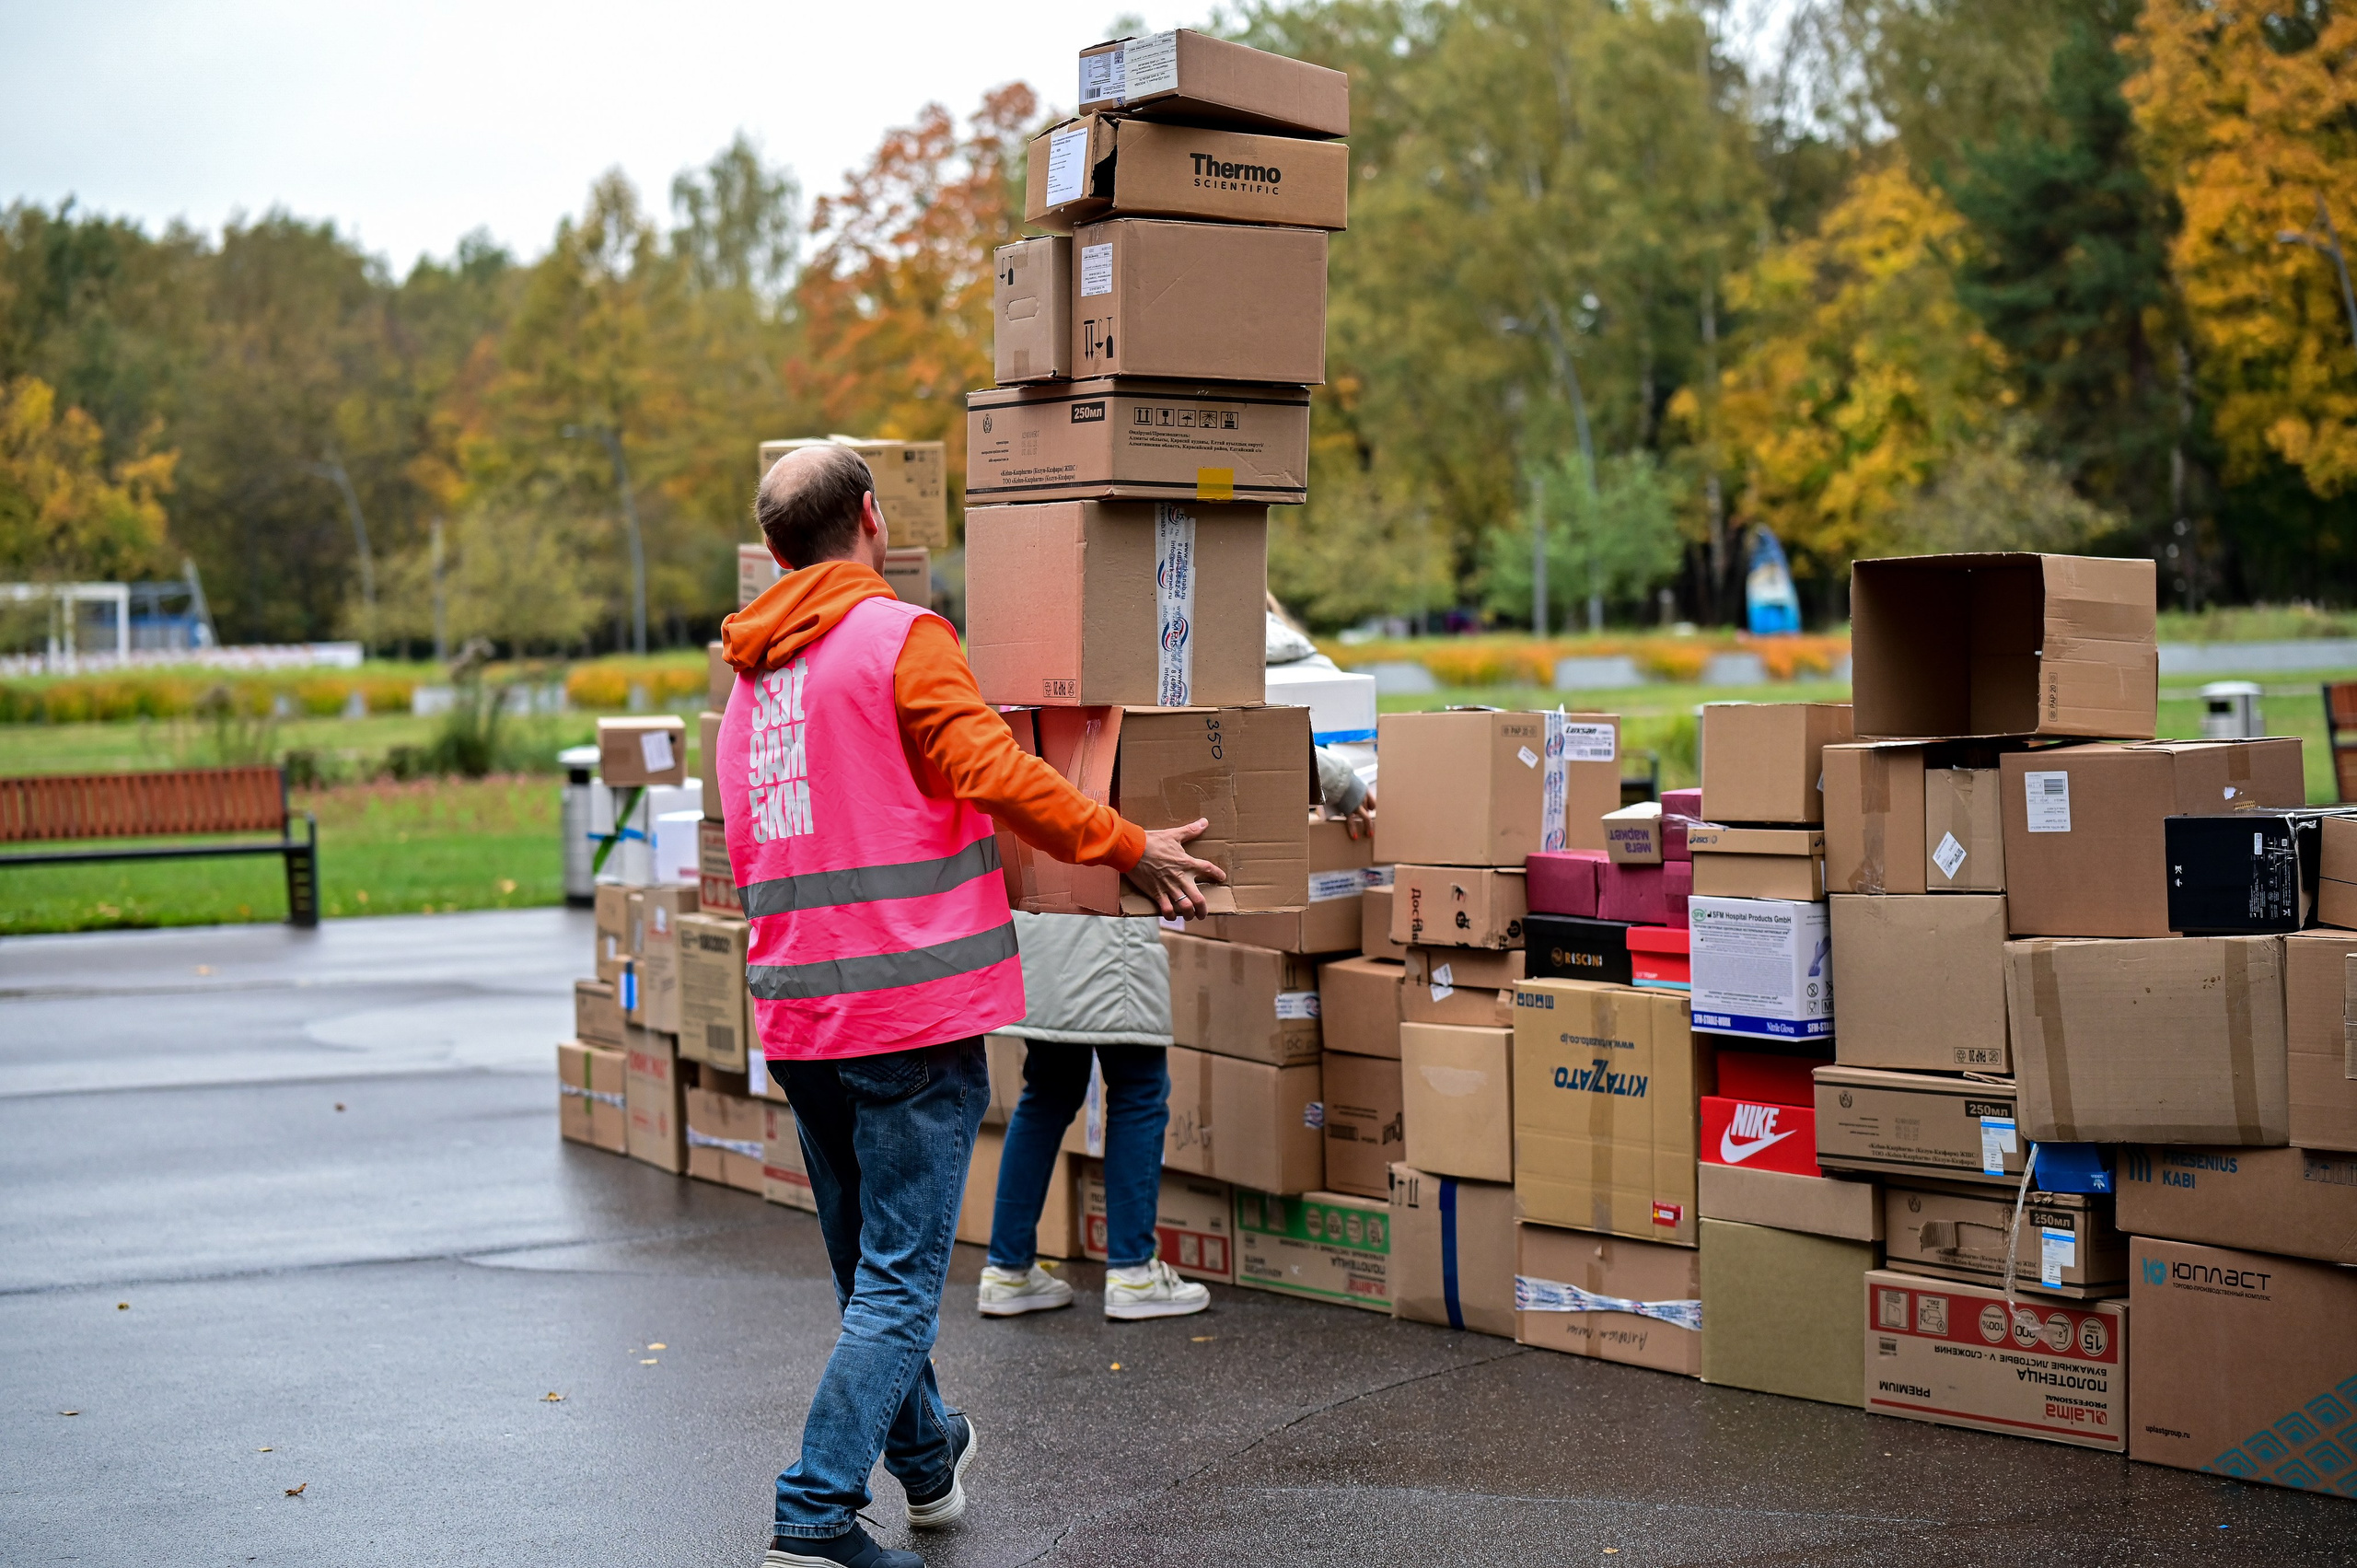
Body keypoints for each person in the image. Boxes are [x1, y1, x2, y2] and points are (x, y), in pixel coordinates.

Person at [718, 445, 1225, 1568]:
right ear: (870, 517)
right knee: (897, 1283)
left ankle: (930, 1461)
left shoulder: (754, 679)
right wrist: (1126, 844)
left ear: (774, 550)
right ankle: (812, 1511)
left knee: (869, 1269)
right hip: (909, 1009)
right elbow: (997, 772)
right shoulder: (900, 640)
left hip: (800, 1017)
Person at [974, 912, 1205, 1321]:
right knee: (1139, 1089)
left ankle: (1007, 1269)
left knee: (1048, 1092)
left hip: (1041, 937)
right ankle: (1133, 1272)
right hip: (1110, 941)